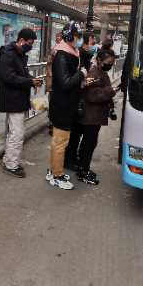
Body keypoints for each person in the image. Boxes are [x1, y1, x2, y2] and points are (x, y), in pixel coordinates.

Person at [47, 21, 90, 190]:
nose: (80, 40)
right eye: (78, 36)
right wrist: (81, 73)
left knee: (59, 142)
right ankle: (57, 176)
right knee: (60, 143)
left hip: (66, 105)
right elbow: (65, 83)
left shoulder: (71, 53)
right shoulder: (62, 56)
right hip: (62, 107)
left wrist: (81, 79)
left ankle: (53, 171)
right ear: (70, 36)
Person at [0, 27, 42, 177]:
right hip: (12, 99)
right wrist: (29, 82)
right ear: (21, 40)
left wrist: (32, 80)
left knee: (13, 132)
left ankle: (9, 159)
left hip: (18, 98)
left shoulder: (19, 54)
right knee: (17, 133)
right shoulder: (8, 54)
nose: (31, 46)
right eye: (30, 43)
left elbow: (22, 74)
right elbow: (9, 77)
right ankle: (11, 165)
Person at [77, 46, 117, 185]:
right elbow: (92, 95)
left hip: (95, 116)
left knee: (90, 143)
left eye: (112, 63)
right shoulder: (94, 74)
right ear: (99, 60)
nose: (110, 65)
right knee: (88, 143)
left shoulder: (100, 72)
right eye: (108, 62)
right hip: (91, 116)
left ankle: (83, 168)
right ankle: (83, 171)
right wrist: (109, 91)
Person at [64, 31, 98, 169]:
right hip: (77, 100)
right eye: (92, 43)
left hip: (80, 98)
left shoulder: (85, 56)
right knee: (75, 133)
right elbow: (72, 79)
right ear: (84, 43)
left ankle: (72, 158)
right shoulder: (78, 56)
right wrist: (84, 80)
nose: (93, 45)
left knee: (76, 133)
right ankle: (69, 160)